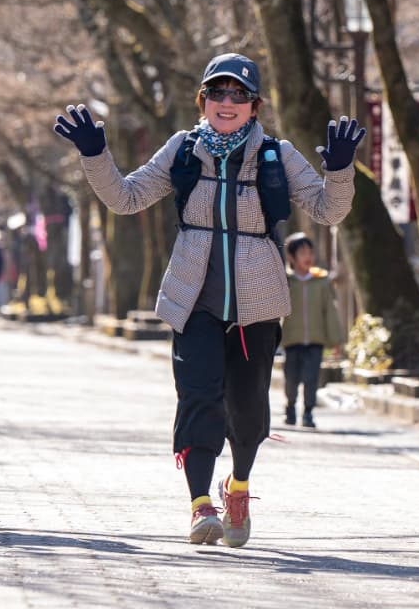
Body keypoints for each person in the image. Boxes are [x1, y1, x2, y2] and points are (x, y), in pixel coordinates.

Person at [55, 54, 364, 547]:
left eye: (238, 95)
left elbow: (328, 212)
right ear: (203, 100)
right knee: (198, 399)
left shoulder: (277, 154)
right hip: (192, 299)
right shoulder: (183, 148)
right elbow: (126, 198)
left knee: (247, 411)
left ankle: (237, 485)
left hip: (256, 304)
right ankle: (201, 504)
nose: (227, 102)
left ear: (254, 106)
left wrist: (342, 170)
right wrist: (96, 154)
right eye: (217, 93)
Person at [280, 232, 343, 428]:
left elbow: (330, 312)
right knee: (291, 378)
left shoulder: (321, 282)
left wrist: (335, 340)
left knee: (311, 378)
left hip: (316, 340)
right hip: (292, 340)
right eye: (302, 253)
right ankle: (290, 406)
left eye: (310, 252)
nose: (307, 257)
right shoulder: (286, 282)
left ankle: (307, 412)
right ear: (291, 257)